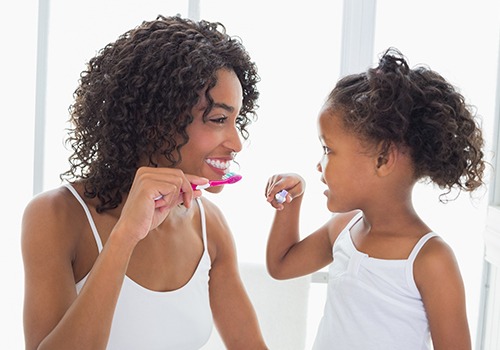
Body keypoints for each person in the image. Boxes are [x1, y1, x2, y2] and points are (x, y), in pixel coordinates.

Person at [22, 15, 268, 350]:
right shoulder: (56, 215)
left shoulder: (210, 225)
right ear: (157, 122)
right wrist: (125, 235)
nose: (237, 143)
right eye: (219, 119)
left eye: (237, 120)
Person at [264, 48, 485, 350]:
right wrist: (291, 203)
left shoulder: (431, 260)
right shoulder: (343, 228)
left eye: (328, 150)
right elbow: (281, 265)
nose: (319, 164)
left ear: (382, 159)